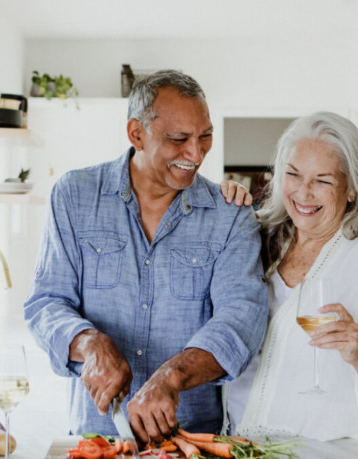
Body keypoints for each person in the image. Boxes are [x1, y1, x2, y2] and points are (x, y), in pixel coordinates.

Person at [23, 70, 268, 444]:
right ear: (136, 134)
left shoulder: (230, 214)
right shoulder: (74, 196)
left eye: (205, 137)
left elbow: (241, 320)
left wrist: (172, 376)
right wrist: (89, 343)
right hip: (96, 438)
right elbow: (46, 302)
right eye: (179, 139)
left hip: (192, 440)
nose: (196, 154)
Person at [221, 112, 358, 441]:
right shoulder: (260, 237)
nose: (303, 192)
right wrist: (221, 204)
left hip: (316, 450)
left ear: (351, 189)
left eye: (323, 181)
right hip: (237, 443)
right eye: (293, 175)